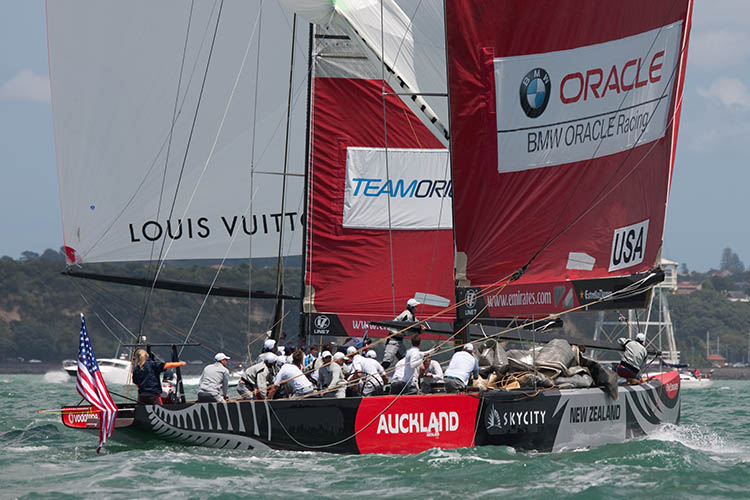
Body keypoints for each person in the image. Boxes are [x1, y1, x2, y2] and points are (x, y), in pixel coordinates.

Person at [383, 298, 422, 369]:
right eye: (416, 306)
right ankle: (376, 376)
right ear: (412, 307)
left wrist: (420, 325)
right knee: (387, 362)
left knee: (405, 360)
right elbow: (407, 331)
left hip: (399, 341)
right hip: (393, 341)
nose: (417, 308)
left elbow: (416, 322)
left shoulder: (410, 314)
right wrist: (418, 331)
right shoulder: (407, 315)